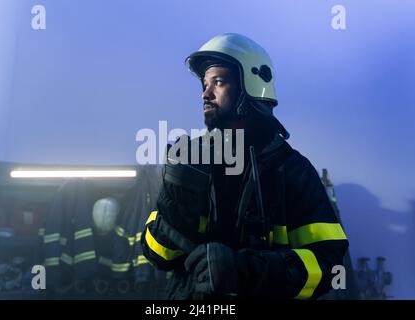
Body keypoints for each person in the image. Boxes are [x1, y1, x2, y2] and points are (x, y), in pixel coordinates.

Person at [141, 33, 349, 300]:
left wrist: (245, 271)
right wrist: (177, 203)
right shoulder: (191, 159)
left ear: (251, 85)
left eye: (218, 82)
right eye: (204, 84)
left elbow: (331, 269)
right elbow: (156, 255)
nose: (205, 93)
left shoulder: (293, 171)